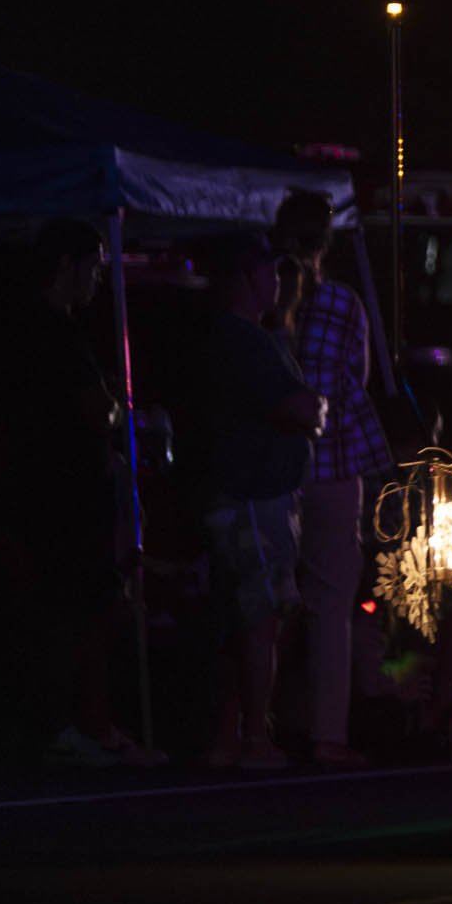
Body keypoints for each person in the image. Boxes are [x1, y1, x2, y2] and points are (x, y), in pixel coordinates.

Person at [0, 220, 161, 767]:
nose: (98, 277)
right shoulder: (57, 334)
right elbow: (98, 409)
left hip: (37, 493)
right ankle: (87, 726)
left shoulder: (14, 332)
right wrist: (117, 409)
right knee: (86, 610)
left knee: (60, 612)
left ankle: (64, 724)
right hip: (65, 496)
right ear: (66, 267)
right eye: (93, 265)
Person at [182, 231, 325, 769]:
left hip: (245, 496)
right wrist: (312, 407)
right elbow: (301, 409)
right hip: (253, 500)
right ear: (245, 278)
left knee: (245, 615)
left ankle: (229, 735)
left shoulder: (234, 337)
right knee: (261, 615)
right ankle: (253, 738)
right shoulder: (241, 339)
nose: (277, 283)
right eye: (268, 273)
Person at [273, 191, 392, 767]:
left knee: (266, 603)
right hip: (335, 463)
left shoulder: (261, 299)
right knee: (331, 603)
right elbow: (359, 378)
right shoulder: (343, 304)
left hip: (270, 467)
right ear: (329, 241)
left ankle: (255, 726)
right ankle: (327, 735)